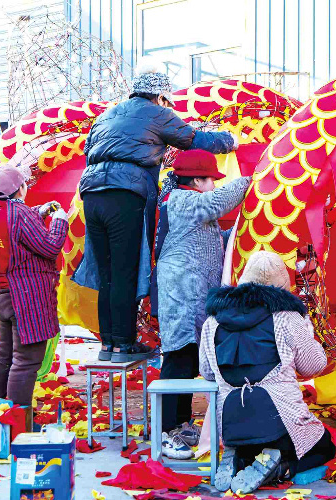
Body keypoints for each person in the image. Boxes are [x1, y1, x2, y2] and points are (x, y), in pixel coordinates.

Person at [74, 59, 238, 363]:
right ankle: (123, 345)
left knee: (106, 271)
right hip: (125, 194)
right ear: (161, 97)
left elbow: (88, 152)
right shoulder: (157, 113)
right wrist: (229, 140)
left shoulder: (106, 115)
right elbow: (194, 140)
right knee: (124, 270)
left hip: (92, 194)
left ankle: (109, 344)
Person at [200, 251, 336, 494]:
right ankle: (281, 466)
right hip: (280, 424)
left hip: (232, 425)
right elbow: (314, 365)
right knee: (325, 447)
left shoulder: (213, 321)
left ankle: (240, 458)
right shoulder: (287, 317)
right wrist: (307, 329)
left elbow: (207, 372)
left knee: (248, 441)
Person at [153, 149, 251, 459]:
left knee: (188, 360)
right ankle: (164, 431)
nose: (214, 185)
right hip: (181, 296)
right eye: (211, 180)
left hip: (192, 296)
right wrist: (254, 179)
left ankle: (180, 423)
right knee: (178, 358)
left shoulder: (189, 205)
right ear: (197, 181)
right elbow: (218, 201)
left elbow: (212, 239)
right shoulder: (183, 201)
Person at [0, 166, 69, 407]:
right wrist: (59, 221)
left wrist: (39, 211)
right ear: (20, 188)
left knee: (3, 357)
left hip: (1, 294)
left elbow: (13, 230)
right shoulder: (19, 213)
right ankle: (17, 418)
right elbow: (49, 247)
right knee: (26, 361)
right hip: (25, 297)